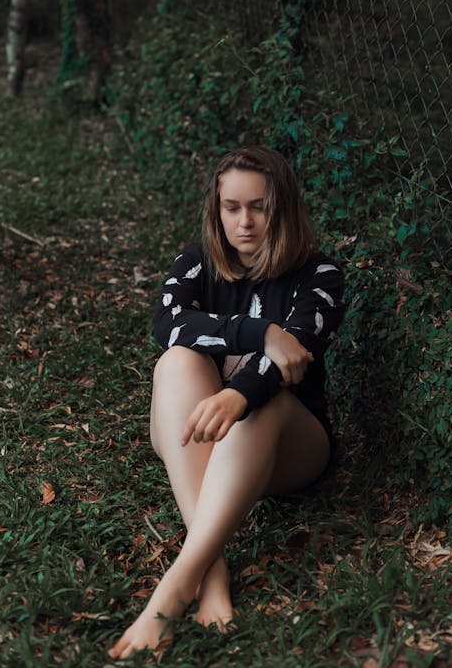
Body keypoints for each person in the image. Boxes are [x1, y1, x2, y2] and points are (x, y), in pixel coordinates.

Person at [109, 146, 345, 659]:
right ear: (216, 210)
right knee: (175, 362)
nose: (245, 221)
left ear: (282, 209)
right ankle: (212, 572)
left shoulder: (319, 276)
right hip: (199, 436)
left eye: (259, 207)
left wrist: (239, 393)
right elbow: (167, 323)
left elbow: (294, 359)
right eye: (231, 207)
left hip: (286, 447)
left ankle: (173, 591)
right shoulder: (197, 262)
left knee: (268, 403)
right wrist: (260, 332)